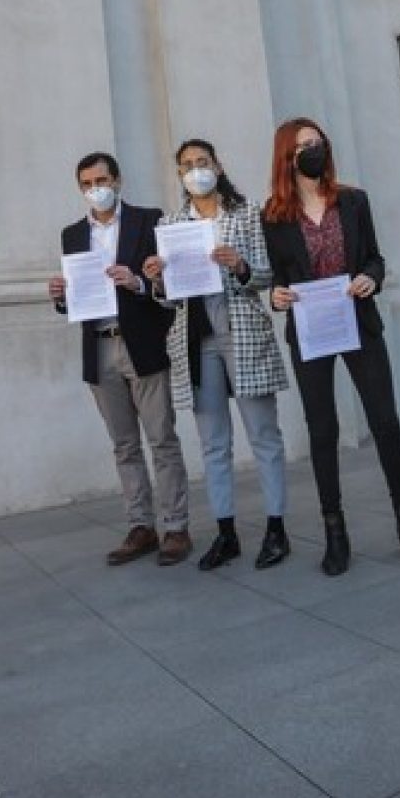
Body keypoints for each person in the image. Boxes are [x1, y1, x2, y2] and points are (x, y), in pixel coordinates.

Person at [262, 117, 400, 576]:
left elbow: (375, 259)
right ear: (287, 156)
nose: (313, 150)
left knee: (385, 420)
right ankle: (334, 531)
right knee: (322, 430)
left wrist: (371, 278)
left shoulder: (353, 200)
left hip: (357, 322)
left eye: (318, 142)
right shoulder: (275, 216)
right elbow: (278, 278)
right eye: (304, 145)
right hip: (310, 329)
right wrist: (276, 296)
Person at [142, 139, 291, 571]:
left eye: (201, 162)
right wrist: (158, 279)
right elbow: (167, 302)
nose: (195, 171)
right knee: (213, 442)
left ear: (217, 165)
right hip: (194, 337)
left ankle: (276, 528)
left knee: (264, 434)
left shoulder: (246, 214)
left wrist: (239, 264)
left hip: (241, 328)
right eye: (186, 165)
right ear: (179, 175)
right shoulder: (172, 225)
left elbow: (265, 275)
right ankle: (226, 533)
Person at [48, 152, 191, 567]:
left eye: (103, 180)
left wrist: (139, 283)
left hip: (142, 342)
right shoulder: (72, 235)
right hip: (98, 345)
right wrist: (60, 298)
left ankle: (176, 526)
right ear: (81, 189)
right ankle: (141, 526)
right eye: (88, 183)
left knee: (162, 438)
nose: (97, 189)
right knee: (124, 444)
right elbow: (75, 298)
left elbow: (165, 282)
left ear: (119, 180)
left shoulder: (149, 220)